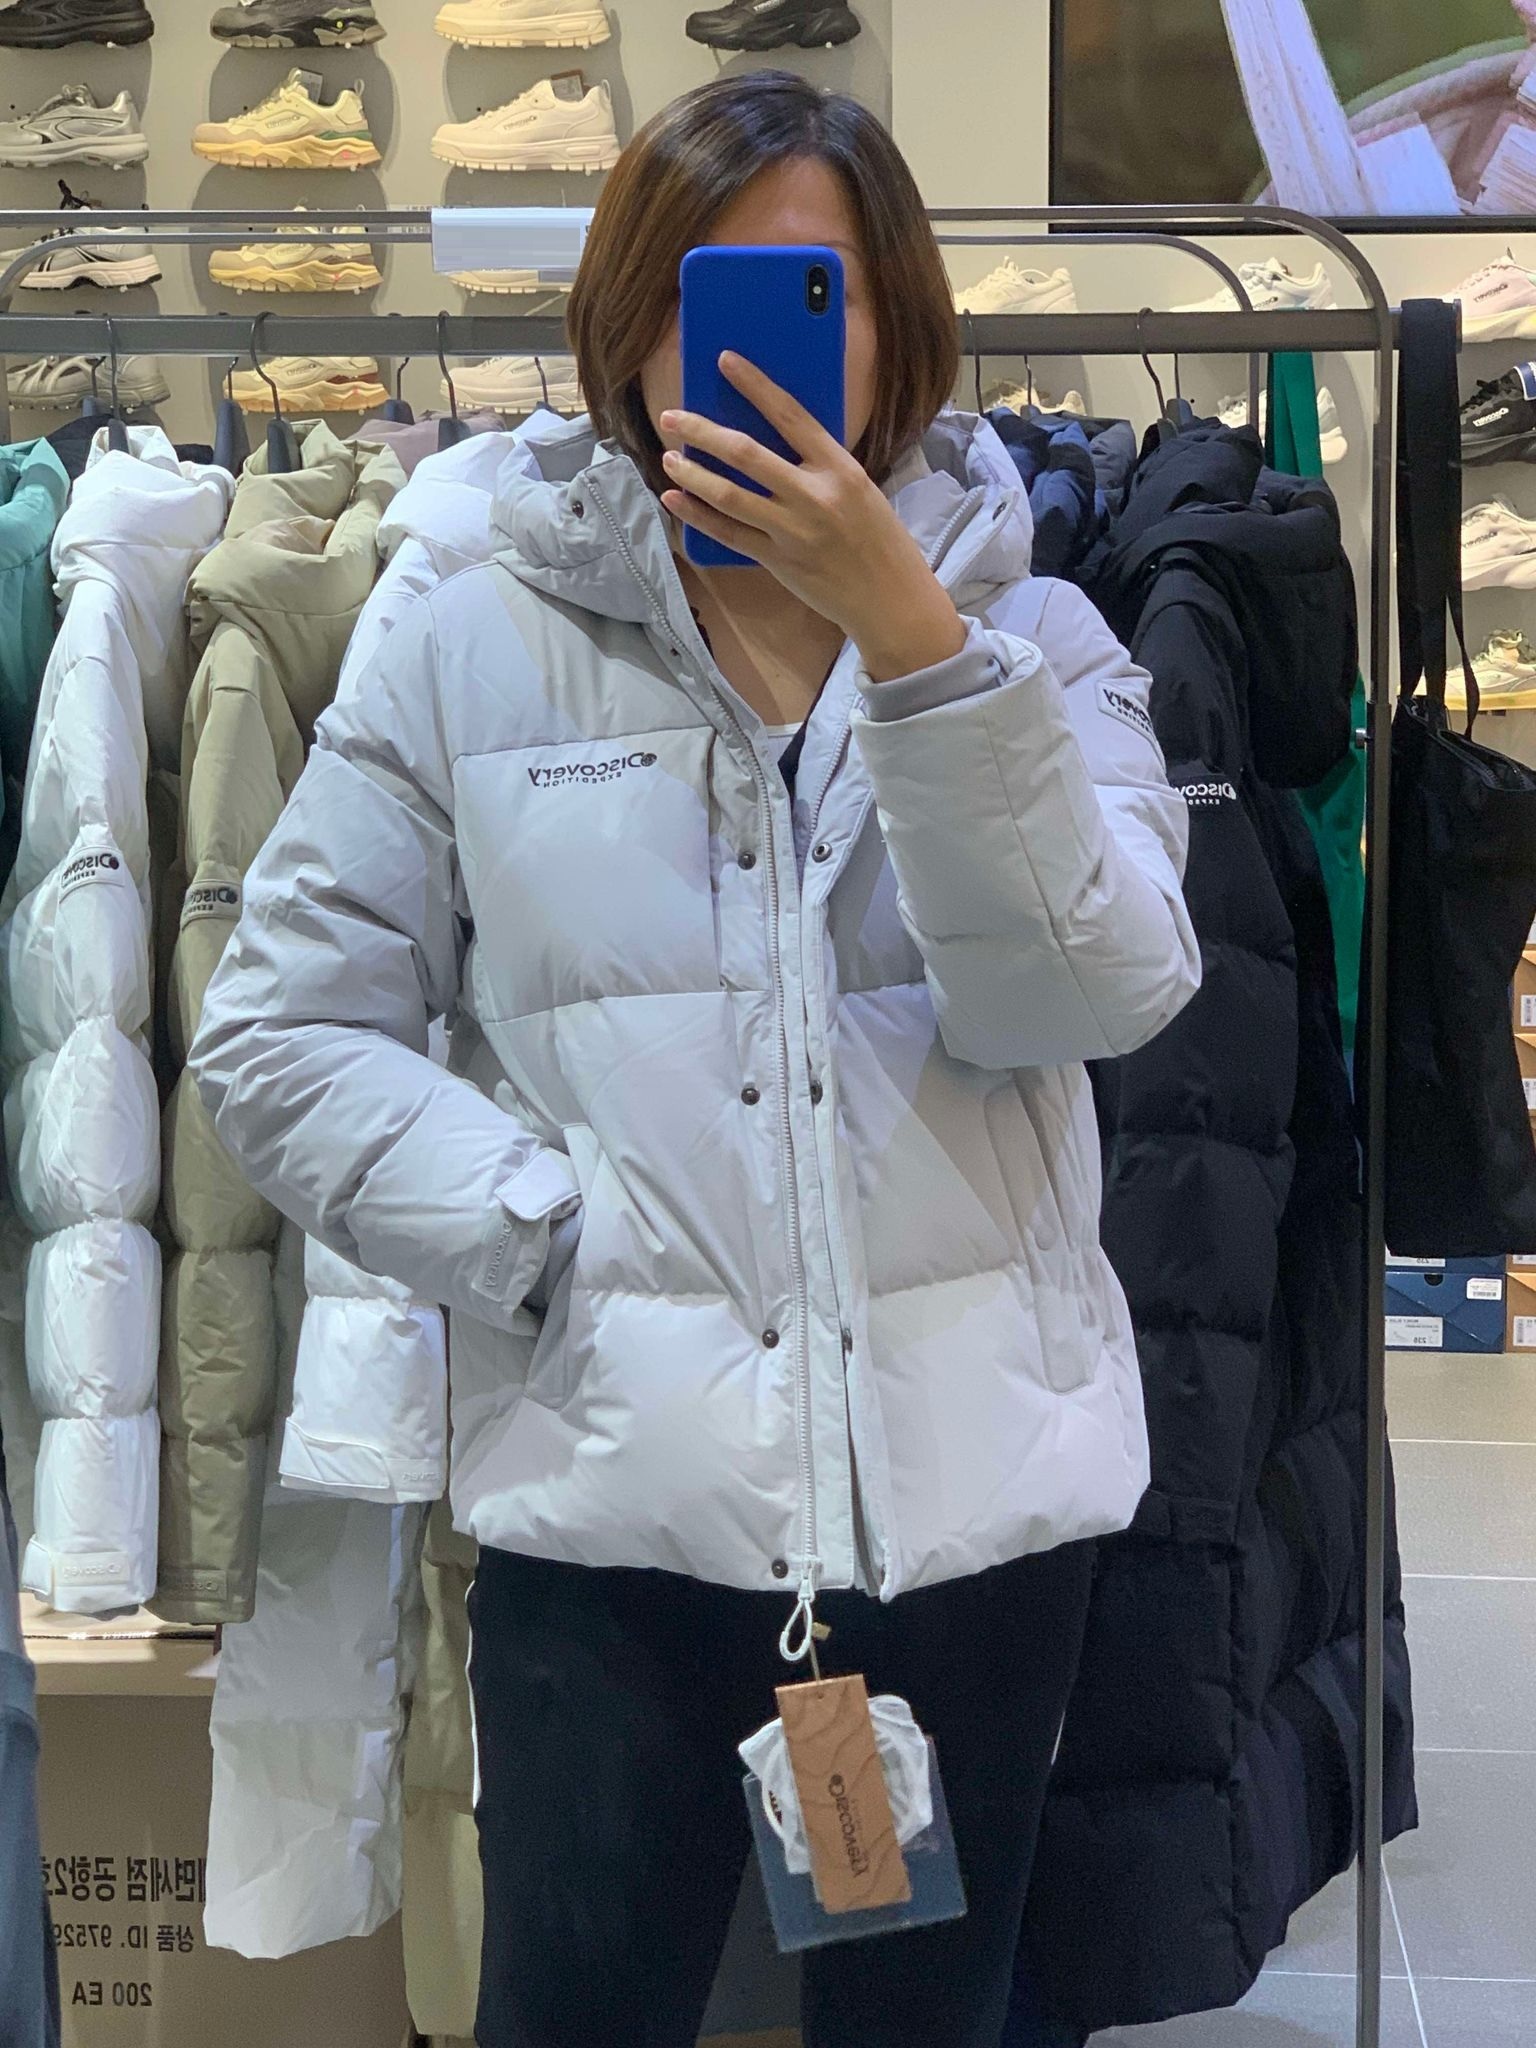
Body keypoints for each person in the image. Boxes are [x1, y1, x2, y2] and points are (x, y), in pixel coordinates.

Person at [191, 70, 1199, 2048]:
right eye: (690, 292)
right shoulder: (469, 640)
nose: (734, 349)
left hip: (965, 1534)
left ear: (896, 324)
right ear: (620, 322)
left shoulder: (1041, 640)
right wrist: (540, 1231)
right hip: (608, 1523)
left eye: (811, 294)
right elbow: (279, 1028)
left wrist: (917, 647)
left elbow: (1091, 993)